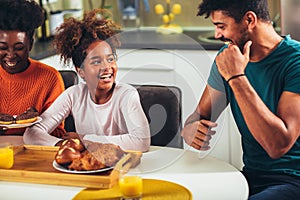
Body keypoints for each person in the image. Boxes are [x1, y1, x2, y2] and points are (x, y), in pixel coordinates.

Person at [181, 0, 300, 199]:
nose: (218, 35)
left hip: (292, 179)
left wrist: (236, 77)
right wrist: (190, 130)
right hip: (248, 176)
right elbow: (198, 117)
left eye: (222, 26)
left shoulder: (295, 61)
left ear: (249, 20)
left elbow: (278, 146)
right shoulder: (226, 58)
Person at [23, 9, 151, 152]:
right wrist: (64, 145)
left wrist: (84, 139)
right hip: (84, 167)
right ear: (80, 71)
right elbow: (32, 133)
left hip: (120, 166)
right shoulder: (73, 95)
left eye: (110, 59)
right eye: (96, 62)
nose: (107, 67)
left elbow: (142, 141)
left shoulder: (127, 95)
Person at [0, 0, 65, 136]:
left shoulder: (50, 78)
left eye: (19, 48)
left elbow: (58, 132)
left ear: (30, 44)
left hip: (34, 152)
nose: (10, 55)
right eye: (2, 48)